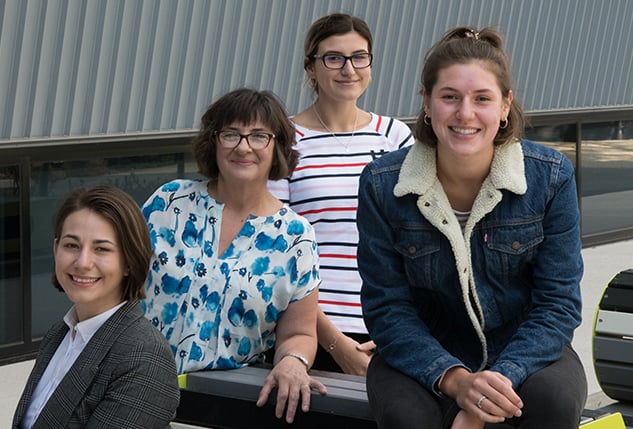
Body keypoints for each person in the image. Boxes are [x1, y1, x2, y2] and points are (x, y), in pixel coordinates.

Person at [357, 27, 587, 429]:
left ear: (504, 106)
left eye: (482, 98)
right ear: (427, 102)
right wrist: (455, 379)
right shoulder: (382, 184)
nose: (465, 113)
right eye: (449, 97)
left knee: (552, 402)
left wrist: (495, 382)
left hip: (525, 347)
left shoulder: (550, 177)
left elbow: (558, 304)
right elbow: (387, 308)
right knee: (407, 417)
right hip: (421, 348)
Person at [142, 88, 326, 424]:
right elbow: (116, 283)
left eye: (259, 136)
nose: (243, 147)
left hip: (223, 404)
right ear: (213, 142)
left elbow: (299, 333)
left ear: (278, 147)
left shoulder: (295, 238)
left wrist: (293, 361)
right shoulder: (169, 203)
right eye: (230, 134)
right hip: (135, 386)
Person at [268, 12, 413, 376]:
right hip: (310, 330)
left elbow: (415, 239)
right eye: (333, 58)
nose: (348, 69)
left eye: (359, 56)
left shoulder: (395, 137)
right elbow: (275, 253)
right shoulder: (284, 139)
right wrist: (336, 343)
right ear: (310, 67)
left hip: (391, 322)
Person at [12, 186, 180, 429]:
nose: (82, 262)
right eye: (71, 245)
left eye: (101, 249)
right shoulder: (58, 336)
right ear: (55, 249)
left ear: (128, 262)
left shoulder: (144, 357)